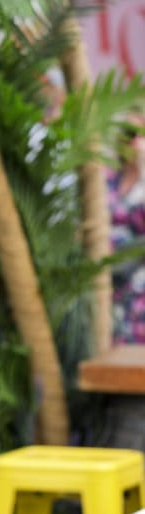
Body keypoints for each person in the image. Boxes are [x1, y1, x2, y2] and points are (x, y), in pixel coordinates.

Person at [109, 112, 145, 344]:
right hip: (108, 284)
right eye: (125, 135)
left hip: (139, 284)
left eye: (136, 135)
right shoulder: (107, 181)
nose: (130, 142)